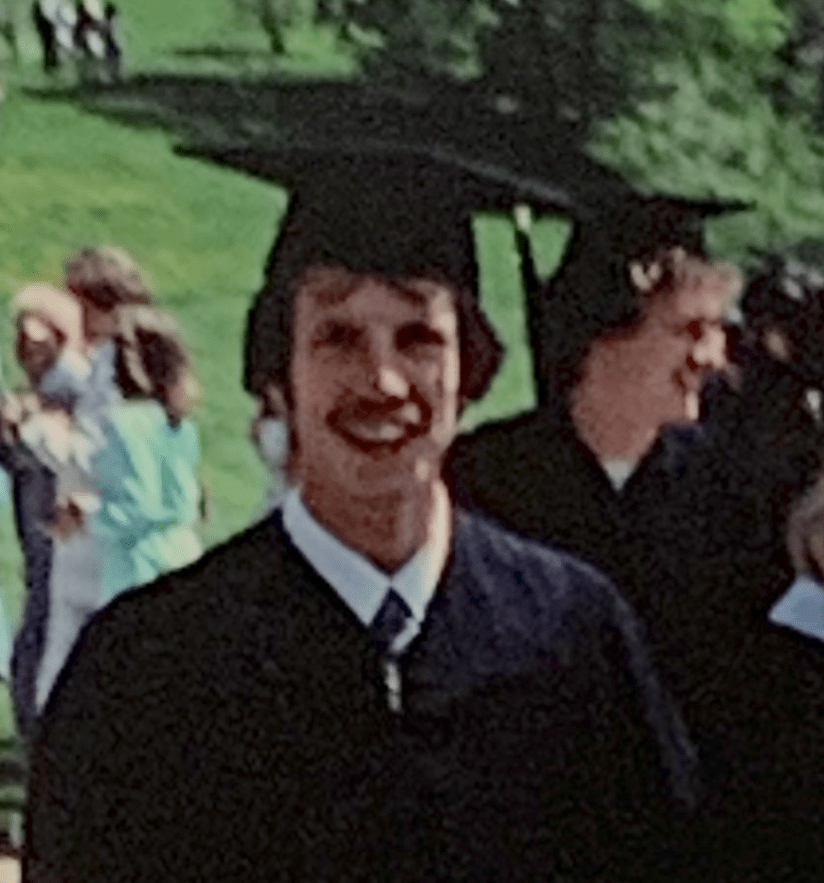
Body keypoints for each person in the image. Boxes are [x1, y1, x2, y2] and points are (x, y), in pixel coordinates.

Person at [26, 147, 704, 883]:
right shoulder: (148, 671)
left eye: (419, 339)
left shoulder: (573, 638)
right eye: (338, 337)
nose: (382, 381)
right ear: (279, 376)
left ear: (469, 372)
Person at [448, 206, 824, 878]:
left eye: (717, 330)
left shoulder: (737, 497)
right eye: (690, 330)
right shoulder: (479, 484)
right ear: (604, 337)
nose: (713, 359)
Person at [51, 305, 203, 606]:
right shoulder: (180, 423)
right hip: (184, 552)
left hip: (138, 567)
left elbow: (138, 505)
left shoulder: (123, 423)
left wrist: (85, 514)